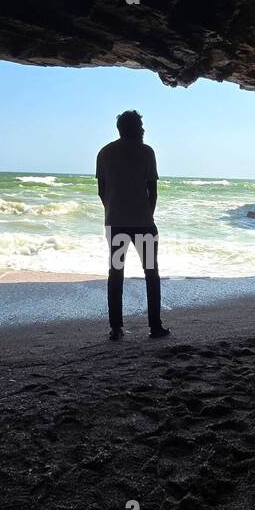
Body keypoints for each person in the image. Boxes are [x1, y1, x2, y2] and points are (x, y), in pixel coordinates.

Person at [96, 111, 171, 341]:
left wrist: (112, 211)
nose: (143, 130)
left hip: (116, 223)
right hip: (143, 223)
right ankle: (155, 327)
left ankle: (116, 328)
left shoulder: (105, 153)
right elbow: (153, 191)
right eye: (140, 125)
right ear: (133, 128)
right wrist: (147, 215)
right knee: (151, 273)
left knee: (116, 273)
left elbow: (102, 190)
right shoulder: (147, 152)